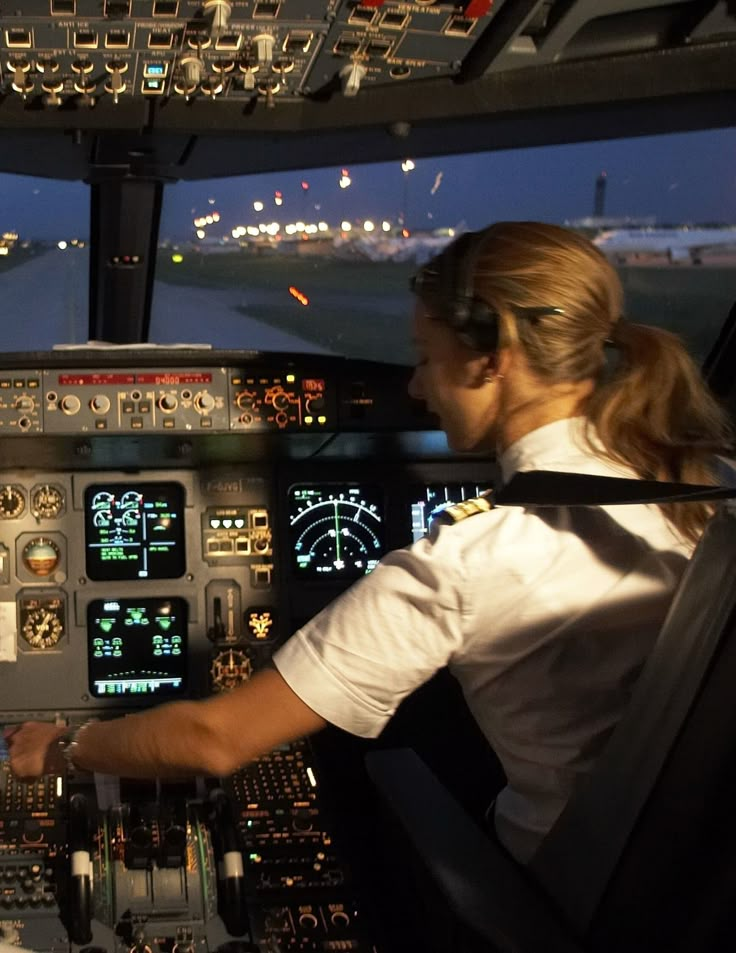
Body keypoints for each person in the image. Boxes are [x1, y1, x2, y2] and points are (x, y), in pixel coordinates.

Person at [6, 221, 732, 865]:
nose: (416, 387)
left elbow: (212, 737)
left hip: (571, 887)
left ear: (492, 357)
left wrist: (62, 745)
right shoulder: (709, 484)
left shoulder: (468, 562)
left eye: (425, 355)